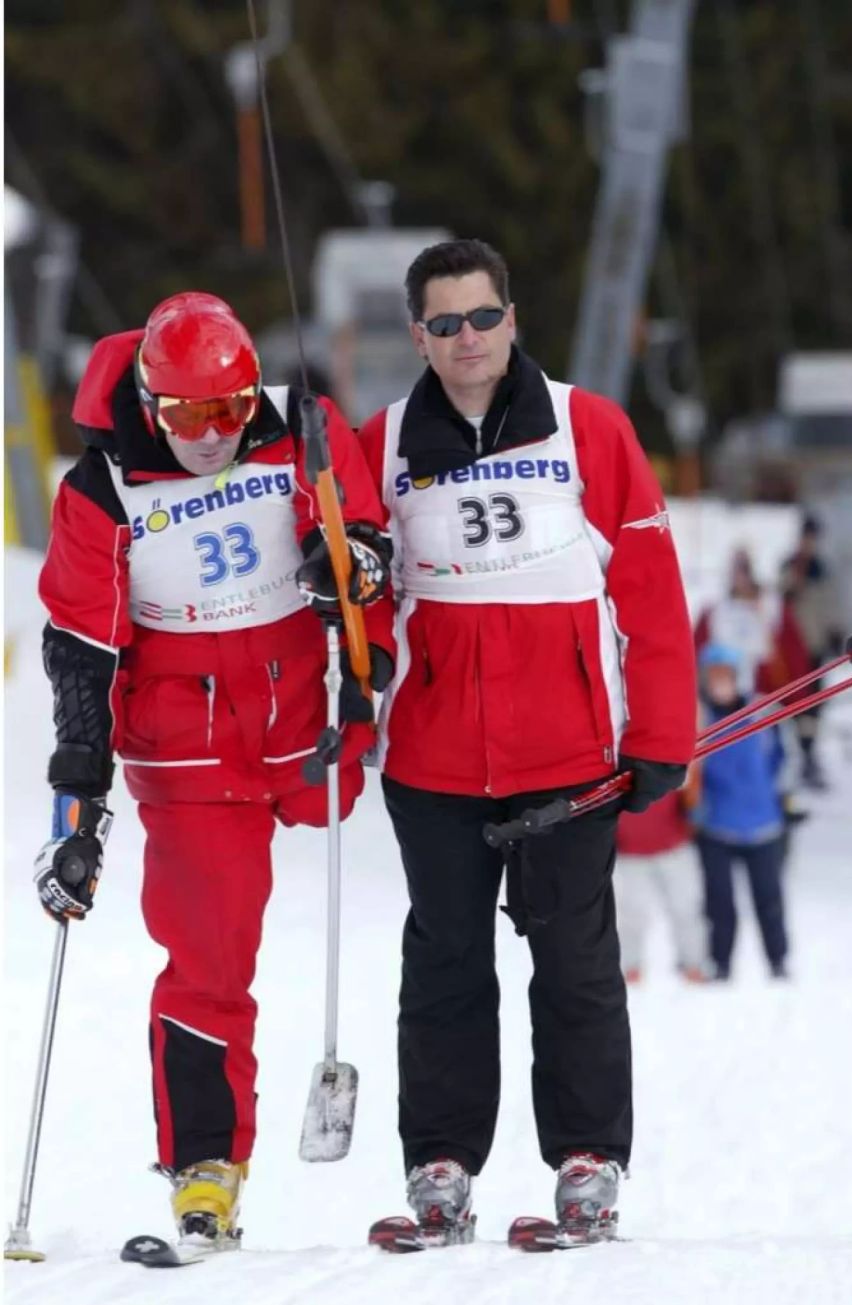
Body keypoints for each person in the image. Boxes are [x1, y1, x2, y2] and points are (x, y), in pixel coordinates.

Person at [33, 292, 394, 1250]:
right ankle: (205, 1171)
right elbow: (82, 646)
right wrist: (80, 800)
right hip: (189, 746)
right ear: (151, 403)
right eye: (189, 415)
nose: (211, 435)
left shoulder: (299, 429)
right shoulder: (102, 489)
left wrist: (350, 565)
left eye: (229, 411)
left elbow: (365, 541)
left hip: (303, 721)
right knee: (207, 960)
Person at [358, 238, 696, 1242]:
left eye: (485, 317)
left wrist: (662, 736)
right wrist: (364, 636)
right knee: (446, 963)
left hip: (569, 754)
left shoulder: (589, 427)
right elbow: (359, 596)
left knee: (577, 963)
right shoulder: (380, 445)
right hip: (435, 758)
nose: (469, 340)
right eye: (447, 323)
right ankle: (442, 1166)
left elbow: (650, 593)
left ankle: (588, 1160)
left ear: (513, 317)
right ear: (420, 334)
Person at [693, 643, 790, 981]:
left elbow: (784, 759)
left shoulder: (763, 712)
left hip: (763, 824)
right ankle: (720, 964)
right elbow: (690, 776)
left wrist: (786, 798)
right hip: (716, 826)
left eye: (726, 676)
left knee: (769, 900)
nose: (720, 683)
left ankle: (778, 962)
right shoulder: (698, 719)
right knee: (720, 904)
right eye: (713, 677)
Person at [615, 767, 708, 985]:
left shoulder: (668, 758)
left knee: (686, 908)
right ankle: (631, 967)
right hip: (630, 851)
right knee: (631, 914)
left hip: (673, 847)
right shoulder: (614, 760)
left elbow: (692, 794)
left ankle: (693, 964)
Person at [779, 513, 844, 789]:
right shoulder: (791, 565)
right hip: (793, 649)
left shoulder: (823, 569)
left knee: (815, 704)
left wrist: (835, 632)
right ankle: (788, 756)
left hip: (815, 647)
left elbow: (830, 604)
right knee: (792, 703)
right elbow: (781, 597)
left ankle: (808, 755)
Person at [695, 546, 810, 698]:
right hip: (723, 694)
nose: (740, 577)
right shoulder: (715, 612)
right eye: (736, 570)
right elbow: (697, 655)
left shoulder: (773, 608)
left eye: (744, 569)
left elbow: (793, 655)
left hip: (765, 693)